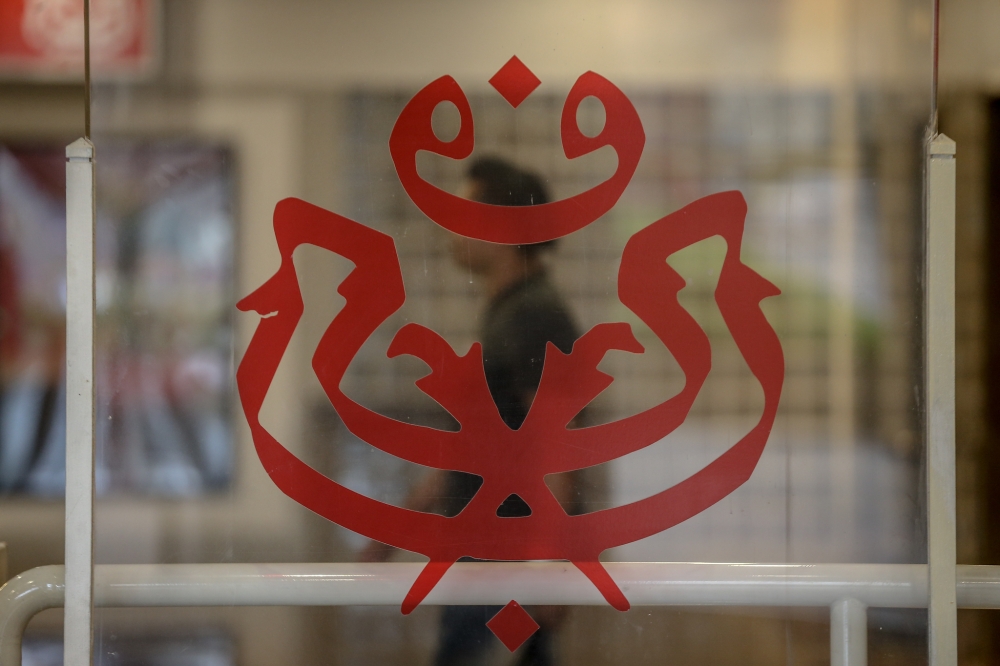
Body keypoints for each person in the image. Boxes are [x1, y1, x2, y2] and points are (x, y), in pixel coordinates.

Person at [363, 157, 580, 666]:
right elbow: (477, 452)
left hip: (506, 561)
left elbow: (558, 444)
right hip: (489, 557)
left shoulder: (533, 314)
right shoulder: (509, 312)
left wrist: (548, 563)